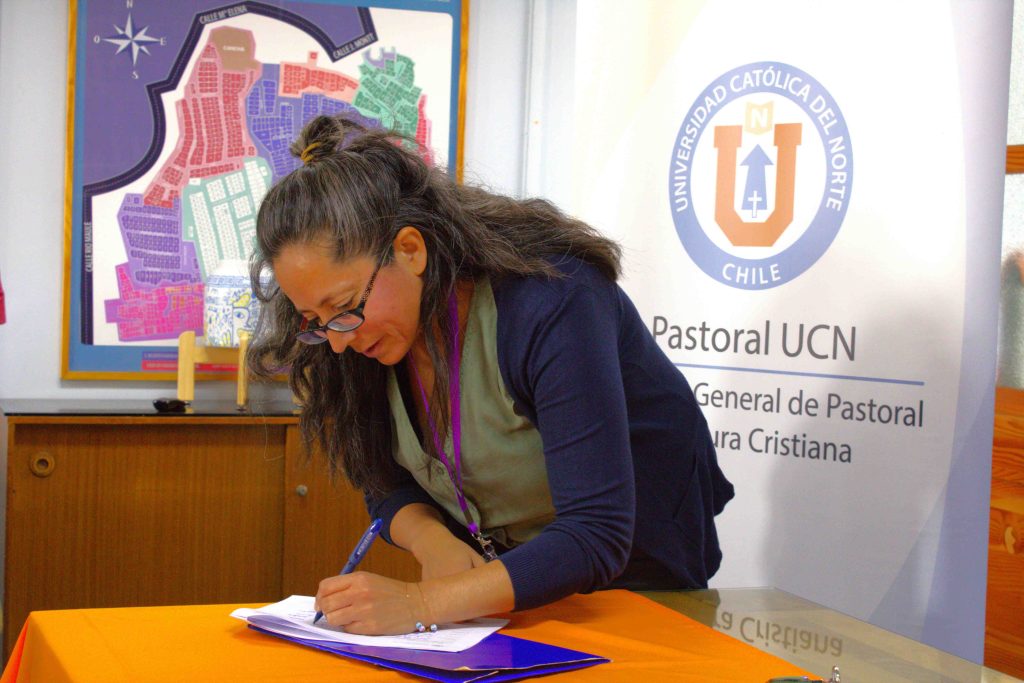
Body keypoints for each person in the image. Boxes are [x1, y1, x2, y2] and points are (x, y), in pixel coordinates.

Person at [248, 114, 734, 636]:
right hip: (513, 592)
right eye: (315, 320)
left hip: (637, 583)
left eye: (344, 307)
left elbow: (597, 531)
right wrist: (430, 538)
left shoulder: (553, 300)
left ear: (410, 250)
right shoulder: (359, 338)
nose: (338, 340)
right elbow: (383, 481)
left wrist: (420, 601)